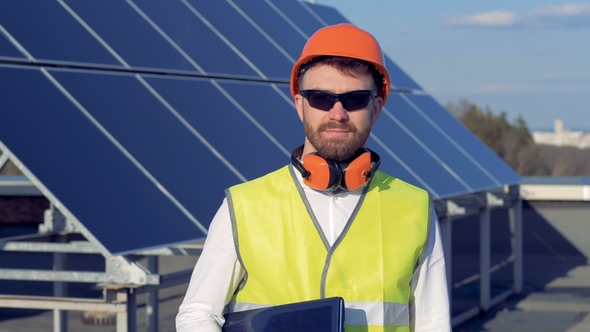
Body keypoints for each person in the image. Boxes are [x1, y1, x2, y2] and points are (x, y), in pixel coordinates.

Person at [176, 23, 451, 332]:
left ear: (376, 108)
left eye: (356, 99)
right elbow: (198, 315)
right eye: (320, 98)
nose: (337, 113)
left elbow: (434, 324)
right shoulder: (243, 208)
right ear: (300, 106)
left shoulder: (414, 209)